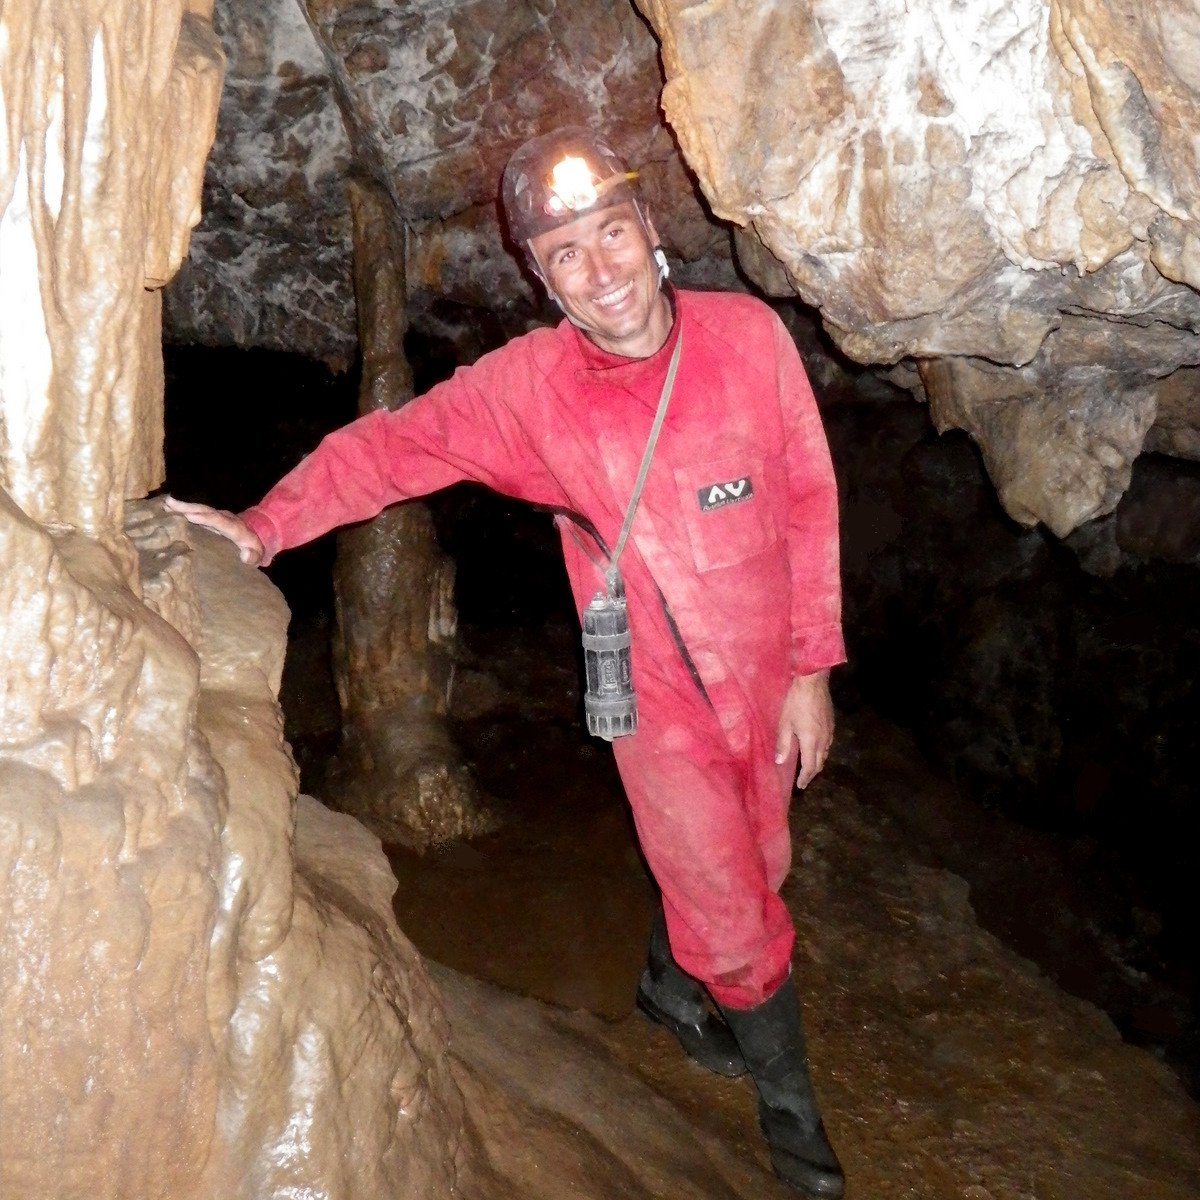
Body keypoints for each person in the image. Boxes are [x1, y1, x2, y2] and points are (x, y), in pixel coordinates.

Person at [167, 126, 846, 1198]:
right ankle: (800, 1142)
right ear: (541, 278)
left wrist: (812, 668)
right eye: (566, 254)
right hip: (657, 706)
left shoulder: (749, 339)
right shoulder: (529, 390)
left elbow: (808, 498)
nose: (600, 267)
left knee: (759, 867)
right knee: (733, 909)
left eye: (610, 233)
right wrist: (263, 526)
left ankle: (673, 990)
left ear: (648, 233)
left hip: (765, 676)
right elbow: (392, 446)